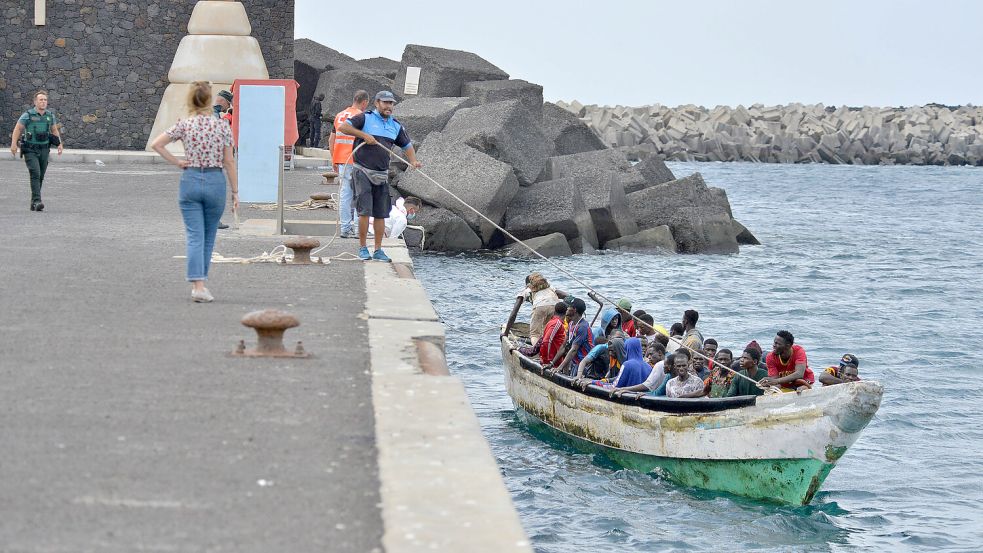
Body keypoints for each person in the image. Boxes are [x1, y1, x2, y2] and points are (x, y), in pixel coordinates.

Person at [150, 81, 238, 303]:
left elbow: (157, 144)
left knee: (194, 234)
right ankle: (201, 285)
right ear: (210, 101)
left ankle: (197, 284)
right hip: (214, 180)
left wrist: (178, 162)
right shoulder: (222, 127)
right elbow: (229, 161)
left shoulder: (185, 125)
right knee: (209, 235)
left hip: (190, 179)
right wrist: (235, 191)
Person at [338, 90, 421, 262]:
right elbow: (343, 127)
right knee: (364, 212)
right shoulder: (365, 118)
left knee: (381, 214)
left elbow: (407, 145)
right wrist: (364, 135)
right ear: (376, 103)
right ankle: (362, 248)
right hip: (362, 171)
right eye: (385, 102)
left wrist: (413, 161)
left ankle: (378, 250)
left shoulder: (395, 126)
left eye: (391, 103)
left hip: (382, 174)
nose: (388, 106)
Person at [10, 90, 63, 211]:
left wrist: (60, 144)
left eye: (45, 100)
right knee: (35, 173)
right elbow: (18, 128)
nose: (43, 102)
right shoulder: (27, 115)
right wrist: (13, 144)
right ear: (35, 102)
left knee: (41, 175)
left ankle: (33, 202)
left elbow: (54, 130)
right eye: (41, 100)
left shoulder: (50, 116)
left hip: (44, 149)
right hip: (30, 149)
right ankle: (37, 201)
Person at [330, 90, 370, 239]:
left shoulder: (339, 116)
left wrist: (334, 158)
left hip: (341, 160)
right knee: (360, 195)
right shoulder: (362, 117)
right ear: (364, 102)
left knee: (345, 194)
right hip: (357, 160)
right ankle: (360, 229)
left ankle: (345, 228)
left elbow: (331, 139)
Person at [503, 273, 568, 344]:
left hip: (540, 307)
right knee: (550, 330)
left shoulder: (526, 290)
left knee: (535, 334)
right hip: (555, 307)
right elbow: (565, 295)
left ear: (528, 284)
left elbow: (514, 313)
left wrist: (505, 333)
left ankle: (537, 352)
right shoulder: (549, 287)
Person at [545, 297, 593, 376]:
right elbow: (564, 346)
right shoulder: (571, 324)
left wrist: (559, 368)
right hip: (575, 362)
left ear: (574, 310)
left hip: (584, 365)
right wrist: (552, 363)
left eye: (569, 307)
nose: (567, 308)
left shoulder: (582, 327)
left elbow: (574, 349)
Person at [212, 89, 234, 230]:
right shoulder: (214, 116)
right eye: (228, 103)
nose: (229, 107)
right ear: (223, 101)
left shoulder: (213, 113)